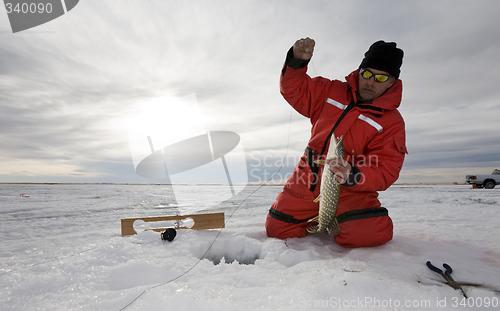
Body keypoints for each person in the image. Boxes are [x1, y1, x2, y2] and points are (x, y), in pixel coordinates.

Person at [265, 38, 407, 248]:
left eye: (380, 77)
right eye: (367, 74)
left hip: (351, 190)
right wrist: (296, 62)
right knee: (277, 229)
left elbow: (386, 169)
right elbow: (294, 90)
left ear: (391, 82)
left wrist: (354, 175)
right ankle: (318, 219)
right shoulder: (329, 90)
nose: (370, 82)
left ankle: (338, 220)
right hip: (307, 180)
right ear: (359, 72)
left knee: (371, 233)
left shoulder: (391, 122)